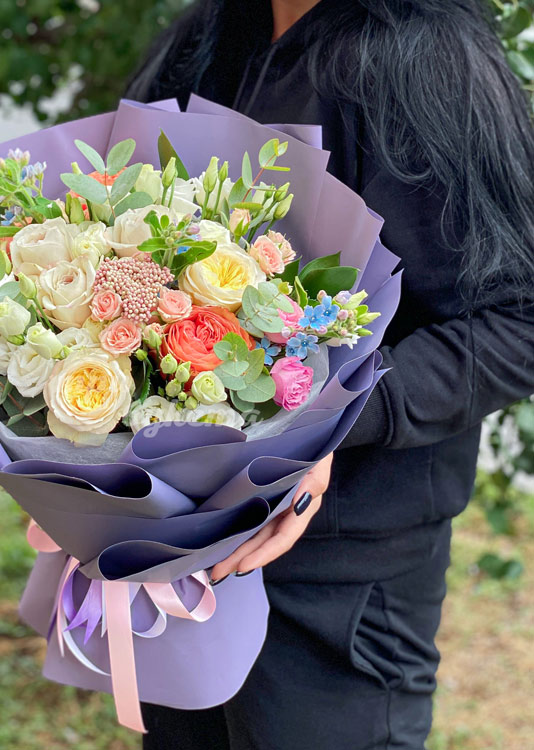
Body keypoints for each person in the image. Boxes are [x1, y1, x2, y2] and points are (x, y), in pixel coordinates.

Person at [125, 0, 534, 747]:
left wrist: (332, 415)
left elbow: (519, 319)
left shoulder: (427, 58)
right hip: (180, 549)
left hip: (337, 582)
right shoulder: (210, 42)